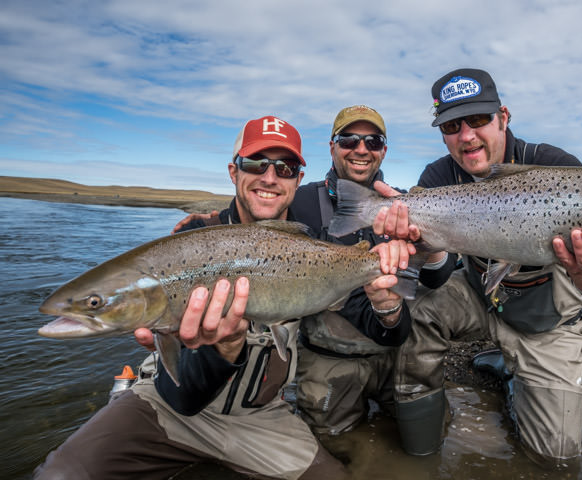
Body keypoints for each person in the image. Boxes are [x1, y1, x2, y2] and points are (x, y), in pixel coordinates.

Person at [35, 115, 412, 480]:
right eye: (255, 163)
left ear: (297, 179)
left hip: (261, 418)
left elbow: (387, 334)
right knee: (60, 475)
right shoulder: (191, 239)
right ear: (234, 172)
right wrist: (224, 348)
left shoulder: (315, 249)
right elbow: (182, 398)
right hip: (167, 407)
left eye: (284, 168)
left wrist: (388, 306)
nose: (269, 176)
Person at [373, 69, 582, 468]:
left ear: (504, 117)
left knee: (555, 462)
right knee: (419, 309)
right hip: (482, 296)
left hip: (548, 320)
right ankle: (420, 452)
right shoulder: (438, 178)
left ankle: (513, 368)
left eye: (478, 120)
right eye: (451, 125)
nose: (466, 136)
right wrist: (427, 250)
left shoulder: (555, 165)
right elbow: (436, 278)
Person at [175, 106, 451, 436]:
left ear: (384, 150)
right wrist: (198, 229)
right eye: (349, 139)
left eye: (372, 141)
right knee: (341, 446)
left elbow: (435, 277)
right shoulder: (300, 202)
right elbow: (253, 220)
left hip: (398, 342)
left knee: (428, 434)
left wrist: (429, 250)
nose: (360, 149)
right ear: (332, 146)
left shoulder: (402, 205)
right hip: (329, 356)